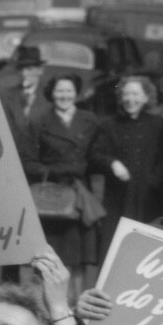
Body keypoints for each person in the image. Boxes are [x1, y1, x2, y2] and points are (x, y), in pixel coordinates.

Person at [22, 74, 103, 289]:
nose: (64, 96)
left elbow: (97, 155)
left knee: (78, 256)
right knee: (51, 255)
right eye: (59, 91)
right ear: (51, 93)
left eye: (69, 91)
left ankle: (75, 301)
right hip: (51, 196)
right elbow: (28, 161)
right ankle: (47, 300)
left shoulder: (90, 120)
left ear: (76, 93)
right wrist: (54, 171)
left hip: (79, 195)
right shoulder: (39, 121)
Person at [94, 73, 163, 226]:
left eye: (135, 94)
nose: (130, 99)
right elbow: (95, 154)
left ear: (146, 97)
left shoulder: (158, 124)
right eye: (126, 94)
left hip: (148, 197)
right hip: (118, 196)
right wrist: (113, 163)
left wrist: (153, 183)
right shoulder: (108, 125)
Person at [0, 43, 48, 133]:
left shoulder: (48, 97)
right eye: (20, 69)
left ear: (40, 70)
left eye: (29, 69)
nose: (24, 73)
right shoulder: (7, 96)